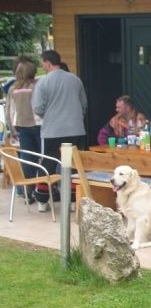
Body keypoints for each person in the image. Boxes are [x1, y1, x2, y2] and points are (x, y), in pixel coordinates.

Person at [31, 49, 88, 211]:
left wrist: (49, 116)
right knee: (71, 164)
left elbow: (38, 107)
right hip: (76, 129)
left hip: (53, 130)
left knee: (48, 164)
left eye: (43, 63)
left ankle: (42, 201)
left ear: (47, 63)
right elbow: (83, 104)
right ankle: (71, 201)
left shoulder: (42, 82)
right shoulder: (76, 80)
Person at [4, 57, 41, 201]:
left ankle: (28, 191)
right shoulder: (36, 86)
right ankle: (43, 191)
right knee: (43, 158)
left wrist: (12, 130)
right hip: (38, 125)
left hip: (21, 127)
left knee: (27, 159)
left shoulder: (13, 89)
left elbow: (9, 111)